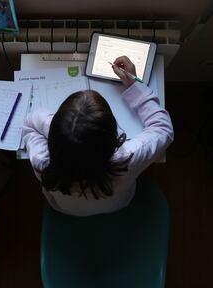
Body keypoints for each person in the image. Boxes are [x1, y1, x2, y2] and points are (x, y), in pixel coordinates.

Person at [22, 56, 174, 216]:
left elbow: (31, 121)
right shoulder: (128, 160)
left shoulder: (42, 163)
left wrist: (61, 128)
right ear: (113, 138)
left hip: (64, 208)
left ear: (53, 139)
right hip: (117, 205)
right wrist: (133, 84)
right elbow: (163, 128)